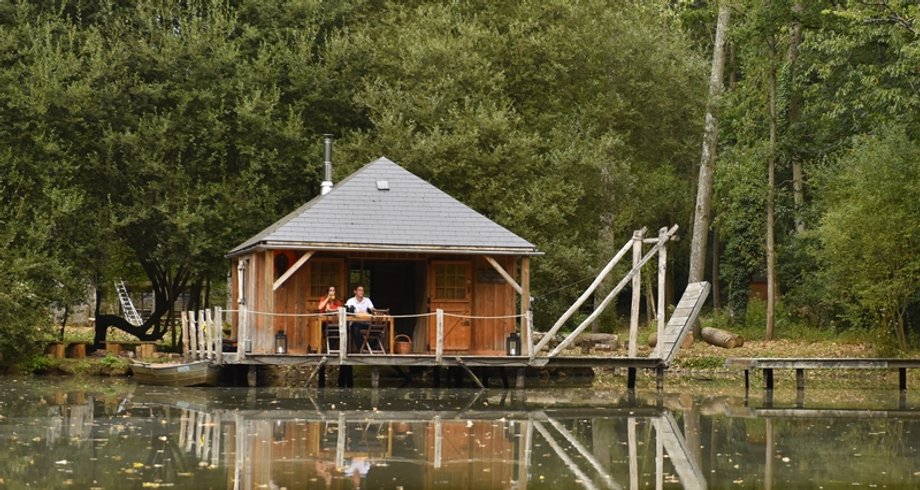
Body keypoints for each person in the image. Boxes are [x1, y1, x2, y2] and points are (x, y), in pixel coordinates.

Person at [346, 285, 375, 351]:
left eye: (362, 290)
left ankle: (367, 347)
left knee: (378, 330)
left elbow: (373, 310)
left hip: (366, 323)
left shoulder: (367, 300)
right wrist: (359, 313)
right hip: (355, 323)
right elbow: (348, 312)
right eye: (359, 290)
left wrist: (377, 313)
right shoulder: (350, 301)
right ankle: (362, 348)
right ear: (355, 292)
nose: (361, 292)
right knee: (355, 327)